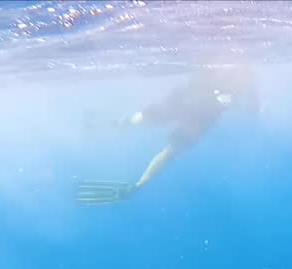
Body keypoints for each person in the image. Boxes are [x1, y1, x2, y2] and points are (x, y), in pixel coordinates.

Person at [76, 66, 261, 206]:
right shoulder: (235, 73)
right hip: (192, 106)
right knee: (166, 144)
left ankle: (113, 129)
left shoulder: (233, 73)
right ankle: (135, 180)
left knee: (164, 141)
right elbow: (249, 104)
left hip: (194, 108)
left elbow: (250, 103)